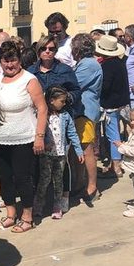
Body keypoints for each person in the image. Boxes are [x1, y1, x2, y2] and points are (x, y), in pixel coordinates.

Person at [0, 40, 47, 233]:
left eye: (13, 60)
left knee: (23, 178)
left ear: (19, 59)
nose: (9, 64)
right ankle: (11, 214)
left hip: (23, 138)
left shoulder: (29, 80)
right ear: (0, 62)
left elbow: (42, 108)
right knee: (4, 178)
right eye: (5, 61)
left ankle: (27, 217)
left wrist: (39, 136)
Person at [27, 35, 82, 210]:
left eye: (51, 49)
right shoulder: (30, 71)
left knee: (61, 162)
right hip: (37, 121)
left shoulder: (65, 70)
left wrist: (64, 100)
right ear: (38, 51)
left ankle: (63, 197)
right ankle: (39, 200)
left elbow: (76, 90)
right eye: (44, 49)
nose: (47, 52)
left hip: (60, 120)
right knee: (38, 163)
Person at [35, 87, 83, 219]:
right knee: (44, 180)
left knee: (59, 181)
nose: (64, 103)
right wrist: (44, 142)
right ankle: (39, 205)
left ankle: (57, 206)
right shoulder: (42, 115)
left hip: (61, 155)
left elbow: (72, 133)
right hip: (46, 155)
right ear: (51, 100)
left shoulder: (65, 116)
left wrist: (78, 150)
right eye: (62, 101)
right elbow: (37, 131)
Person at [71, 34, 103, 203]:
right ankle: (79, 184)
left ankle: (92, 186)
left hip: (86, 112)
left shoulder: (88, 65)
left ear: (77, 49)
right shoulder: (85, 63)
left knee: (86, 149)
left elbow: (73, 84)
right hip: (80, 112)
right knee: (79, 150)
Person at [95, 35, 130, 177]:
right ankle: (116, 164)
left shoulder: (107, 66)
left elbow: (106, 86)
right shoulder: (119, 62)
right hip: (120, 102)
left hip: (110, 104)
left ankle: (116, 166)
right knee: (115, 132)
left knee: (113, 134)